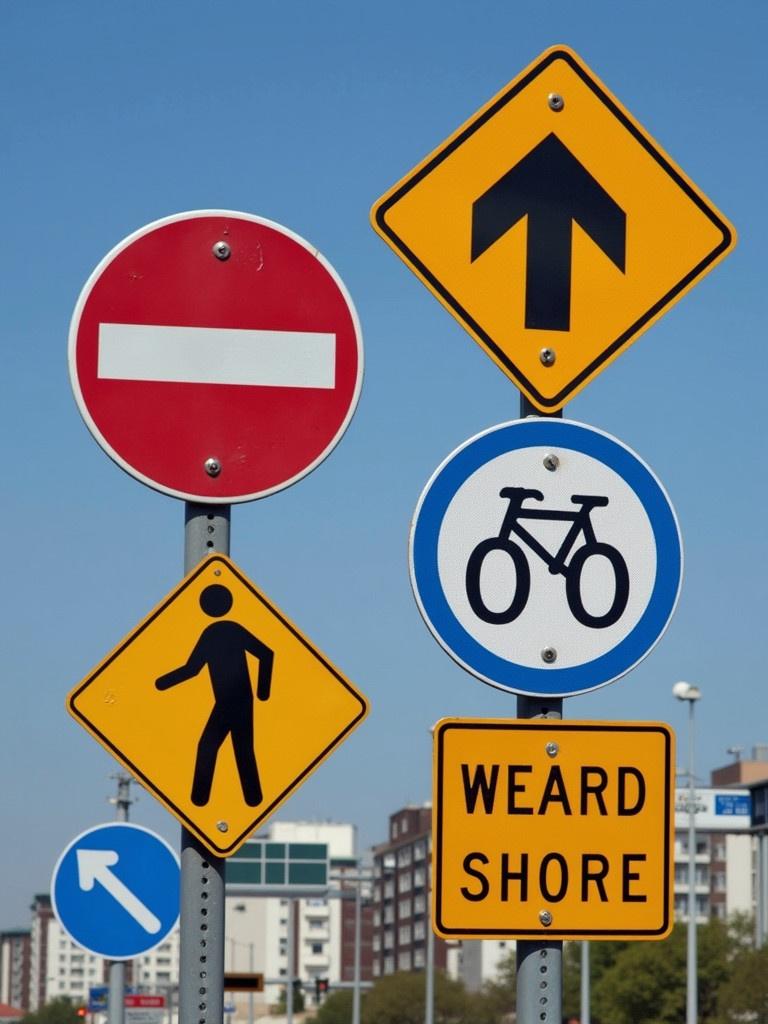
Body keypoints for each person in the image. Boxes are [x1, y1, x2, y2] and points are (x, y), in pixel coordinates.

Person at [155, 583, 274, 807]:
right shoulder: (227, 630)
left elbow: (191, 669)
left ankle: (200, 800)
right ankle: (252, 798)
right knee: (242, 748)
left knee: (210, 746)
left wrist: (263, 692)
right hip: (237, 700)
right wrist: (162, 683)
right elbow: (194, 668)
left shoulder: (216, 633)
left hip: (232, 700)